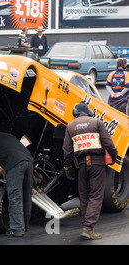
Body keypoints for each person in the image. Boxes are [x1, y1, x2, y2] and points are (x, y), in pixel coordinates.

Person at [62, 101, 118, 240]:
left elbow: (67, 150)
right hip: (97, 164)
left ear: (76, 113)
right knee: (96, 195)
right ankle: (88, 227)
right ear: (88, 112)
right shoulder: (97, 122)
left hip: (81, 165)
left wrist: (67, 166)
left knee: (84, 196)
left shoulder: (70, 126)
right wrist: (115, 155)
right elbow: (108, 142)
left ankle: (87, 226)